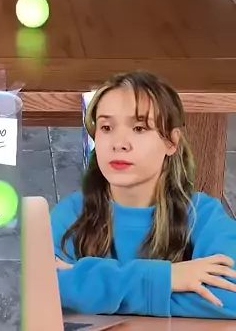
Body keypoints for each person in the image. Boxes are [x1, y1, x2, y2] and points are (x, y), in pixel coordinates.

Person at [50, 70, 236, 319]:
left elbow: (230, 297)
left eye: (139, 128)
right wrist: (169, 278)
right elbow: (48, 288)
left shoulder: (203, 215)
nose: (119, 143)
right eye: (106, 127)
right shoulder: (69, 215)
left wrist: (92, 290)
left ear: (171, 142)